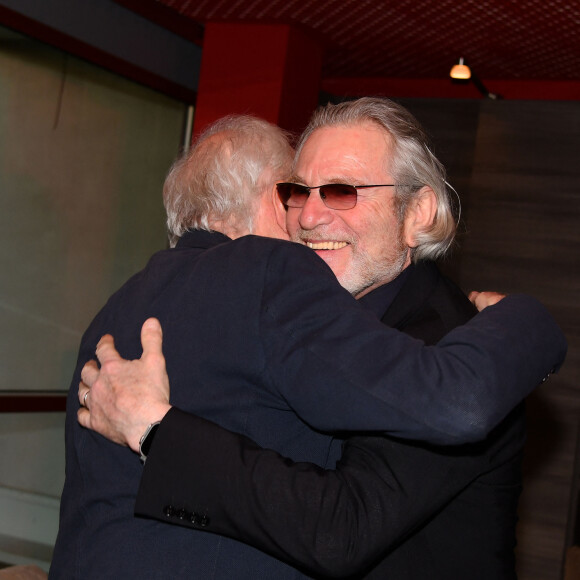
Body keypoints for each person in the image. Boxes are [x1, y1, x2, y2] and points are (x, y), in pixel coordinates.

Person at [51, 108, 565, 580]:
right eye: (299, 192)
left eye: (342, 190)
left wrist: (154, 430)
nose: (310, 217)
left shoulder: (449, 342)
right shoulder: (296, 319)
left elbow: (340, 528)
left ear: (419, 213)